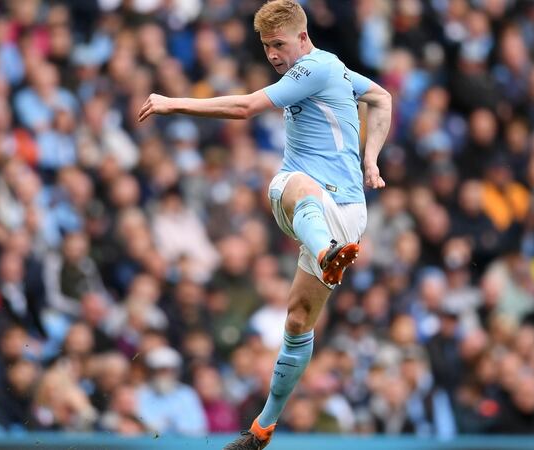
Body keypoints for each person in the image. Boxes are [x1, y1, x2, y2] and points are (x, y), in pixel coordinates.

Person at [139, 1, 392, 448]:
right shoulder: (337, 71)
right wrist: (369, 160)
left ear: (302, 37)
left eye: (278, 44)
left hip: (329, 209)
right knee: (296, 322)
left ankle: (324, 250)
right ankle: (262, 428)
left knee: (286, 182)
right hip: (346, 220)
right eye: (266, 46)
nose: (273, 54)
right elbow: (380, 97)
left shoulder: (313, 67)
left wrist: (171, 103)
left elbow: (245, 107)